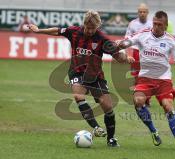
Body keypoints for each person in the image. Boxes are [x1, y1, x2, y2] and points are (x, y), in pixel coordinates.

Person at [28, 10, 131, 147]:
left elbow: (119, 57)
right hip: (77, 72)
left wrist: (126, 56)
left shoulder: (102, 39)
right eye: (87, 28)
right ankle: (96, 127)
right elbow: (57, 31)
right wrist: (39, 30)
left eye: (92, 28)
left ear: (98, 26)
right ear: (84, 24)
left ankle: (111, 139)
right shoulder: (74, 31)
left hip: (95, 76)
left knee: (107, 107)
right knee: (78, 96)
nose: (89, 31)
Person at [118, 11, 175, 151]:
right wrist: (122, 44)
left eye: (159, 24)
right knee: (138, 102)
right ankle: (153, 131)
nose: (156, 27)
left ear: (165, 25)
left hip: (163, 80)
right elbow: (129, 40)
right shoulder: (144, 34)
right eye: (154, 23)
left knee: (168, 107)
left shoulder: (171, 41)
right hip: (145, 78)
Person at [125, 3, 152, 105]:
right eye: (140, 12)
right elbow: (127, 39)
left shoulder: (152, 24)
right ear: (138, 12)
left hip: (148, 53)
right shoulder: (132, 24)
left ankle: (147, 100)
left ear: (147, 12)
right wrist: (128, 54)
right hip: (135, 52)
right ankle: (139, 98)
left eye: (144, 12)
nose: (142, 13)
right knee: (136, 76)